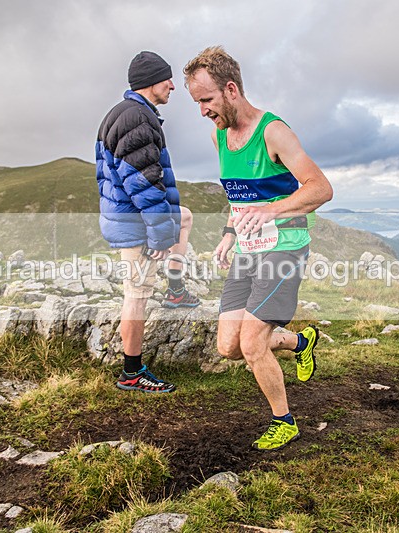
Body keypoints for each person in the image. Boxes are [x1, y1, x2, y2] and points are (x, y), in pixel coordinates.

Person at [184, 46, 334, 450]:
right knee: (229, 346)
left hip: (285, 248)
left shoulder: (274, 132)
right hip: (249, 249)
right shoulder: (219, 137)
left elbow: (321, 188)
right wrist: (230, 233)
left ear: (231, 89)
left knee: (252, 343)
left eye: (207, 100)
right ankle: (300, 343)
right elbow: (239, 199)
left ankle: (284, 421)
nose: (202, 111)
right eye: (196, 103)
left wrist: (272, 211)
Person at [95, 51, 200, 393]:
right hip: (138, 224)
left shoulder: (126, 114)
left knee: (183, 217)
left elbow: (112, 177)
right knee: (136, 296)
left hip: (131, 217)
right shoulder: (137, 118)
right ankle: (132, 372)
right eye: (167, 79)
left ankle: (175, 290)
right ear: (152, 81)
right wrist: (158, 236)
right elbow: (142, 182)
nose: (173, 85)